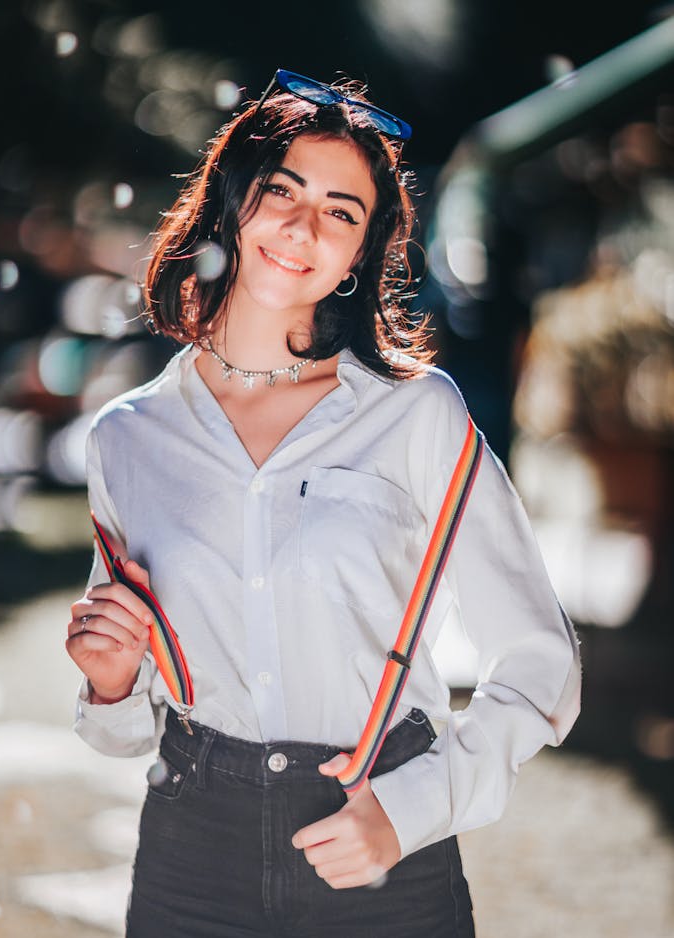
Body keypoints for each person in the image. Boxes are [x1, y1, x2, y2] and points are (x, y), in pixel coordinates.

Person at [65, 68, 581, 938]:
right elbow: (127, 731)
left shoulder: (417, 417)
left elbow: (541, 664)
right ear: (232, 204)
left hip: (378, 842)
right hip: (192, 849)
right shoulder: (129, 438)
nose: (305, 227)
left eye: (342, 211)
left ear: (359, 253)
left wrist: (414, 808)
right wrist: (112, 684)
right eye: (283, 191)